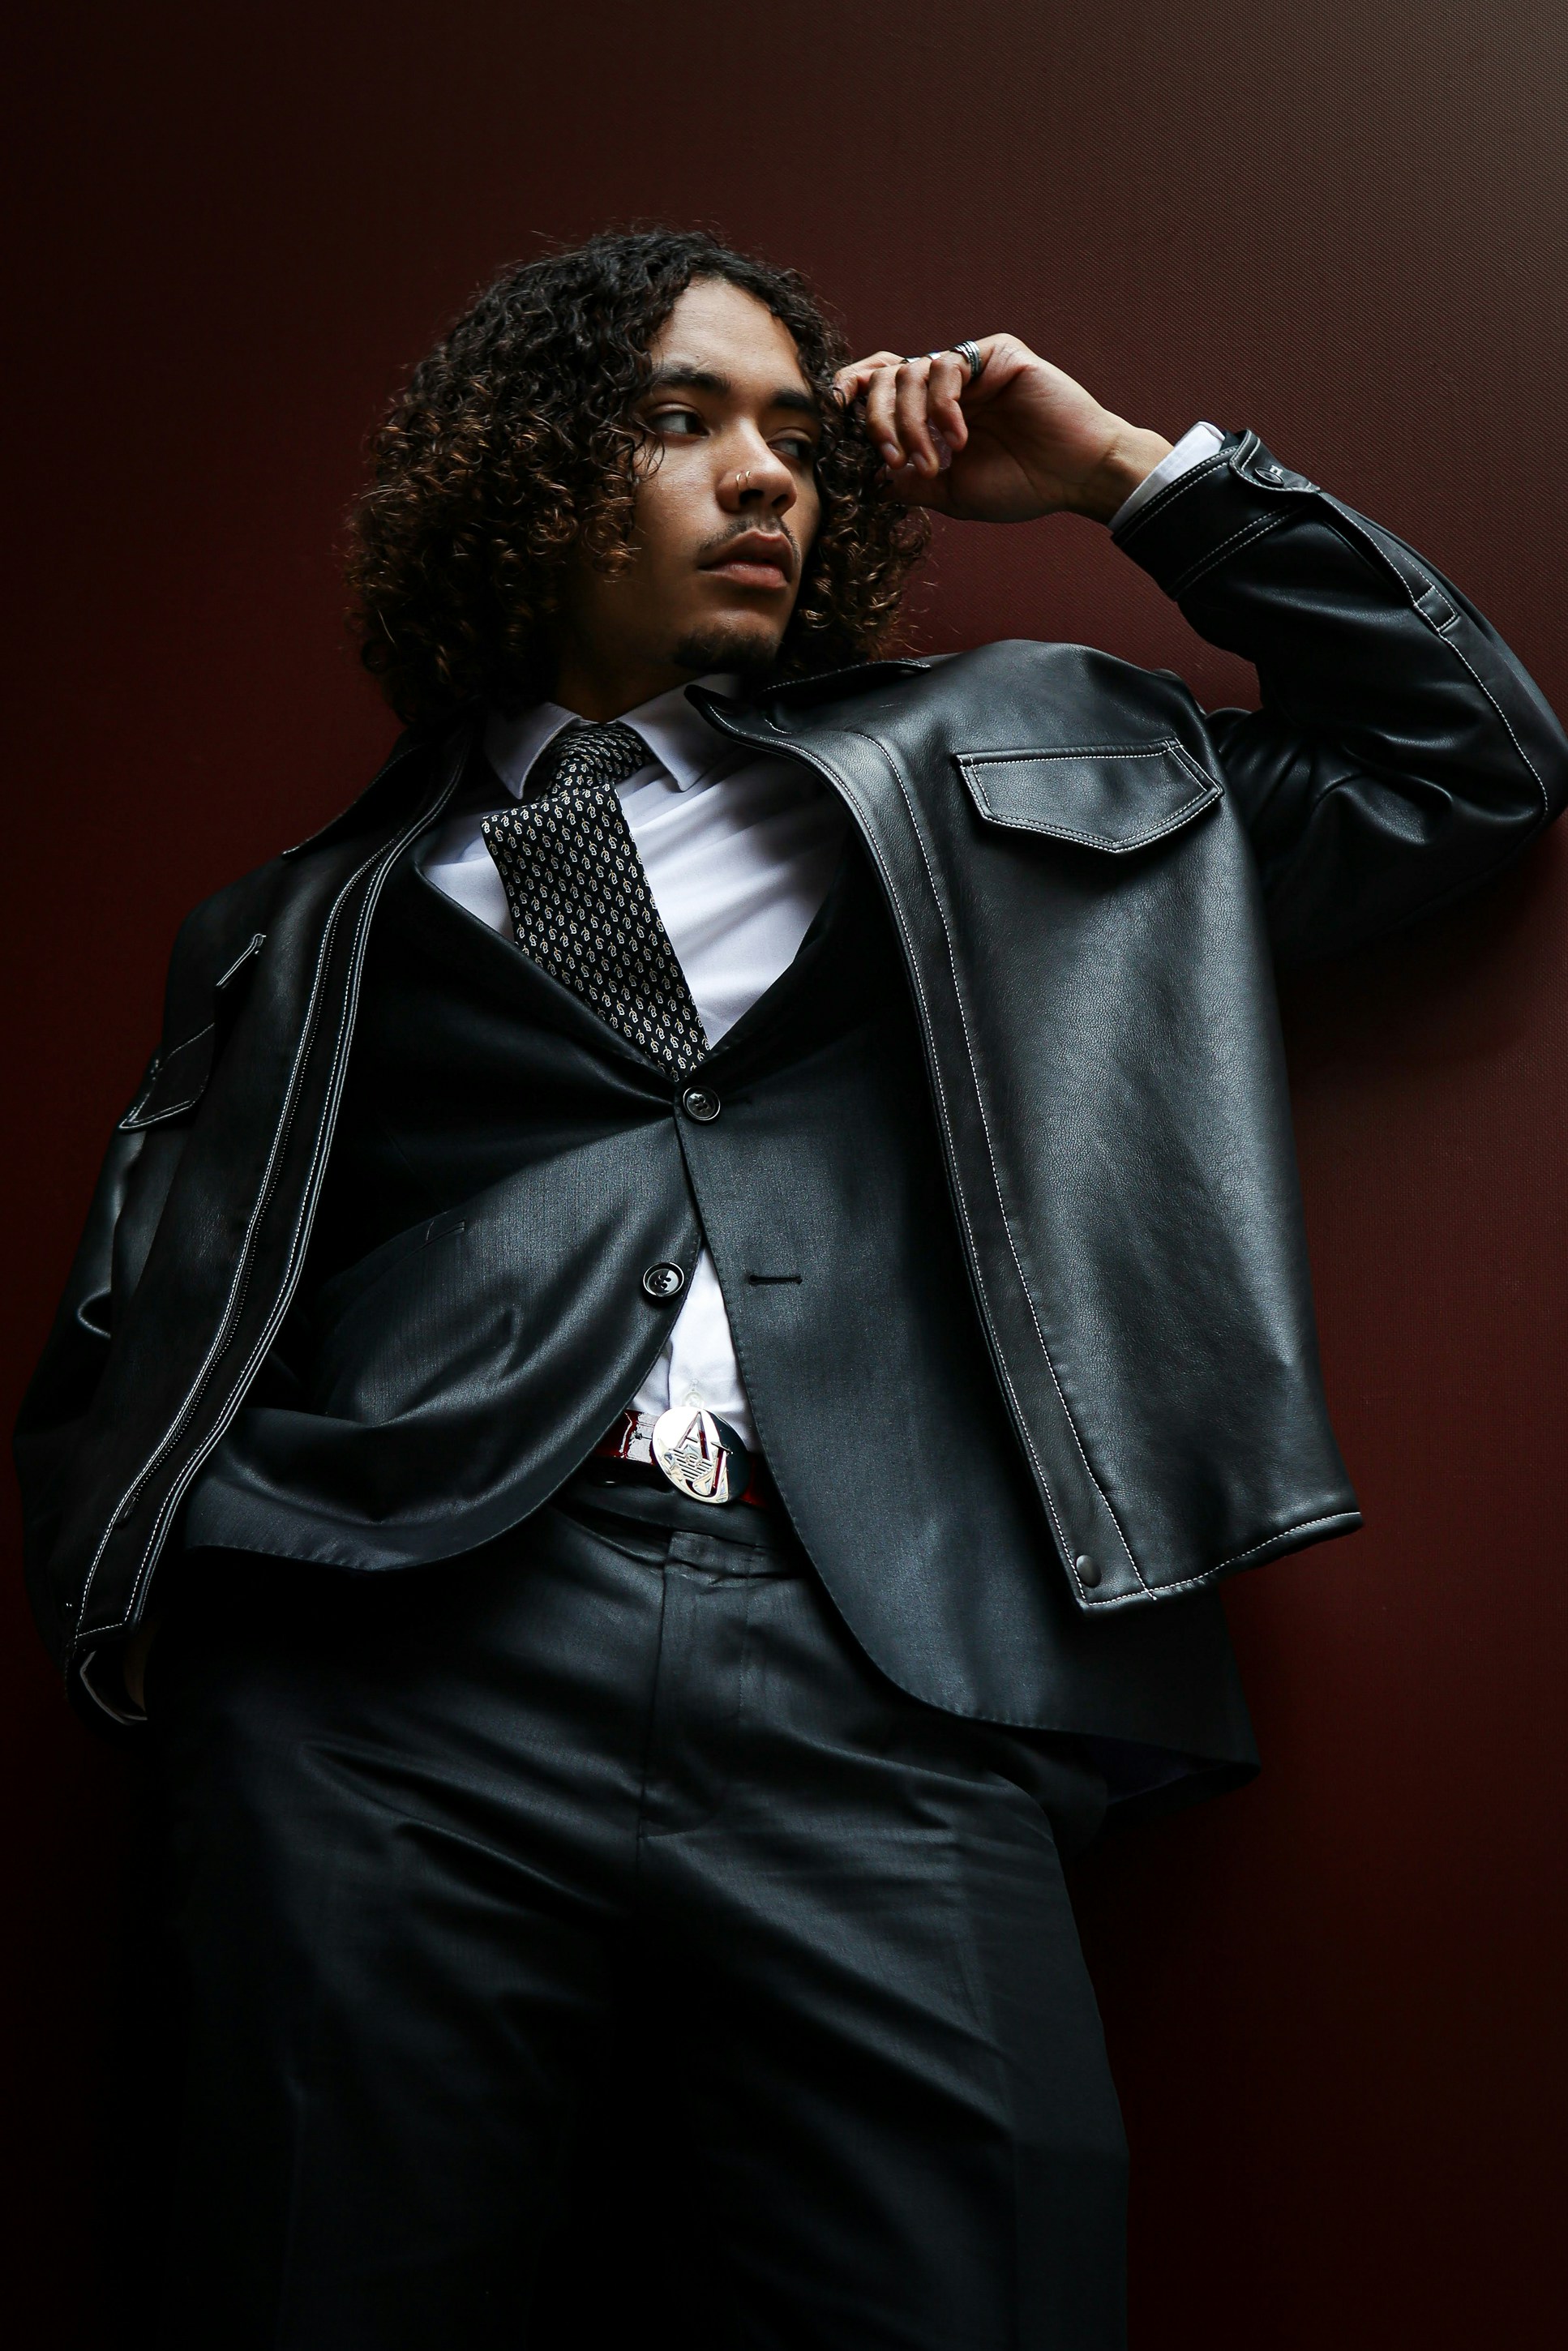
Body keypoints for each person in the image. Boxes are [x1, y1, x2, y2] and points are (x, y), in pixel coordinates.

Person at [15, 227, 1566, 2350]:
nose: (766, 473)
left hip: (895, 1657)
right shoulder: (297, 921)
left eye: (795, 437)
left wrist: (1124, 474)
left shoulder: (1021, 751)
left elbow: (1468, 762)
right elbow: (145, 1301)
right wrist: (154, 1616)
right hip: (393, 1669)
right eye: (682, 420)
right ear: (530, 472)